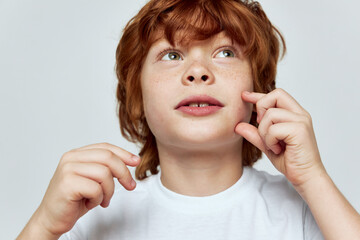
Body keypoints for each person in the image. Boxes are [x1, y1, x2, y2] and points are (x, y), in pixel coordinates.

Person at [18, 0, 360, 239]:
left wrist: (313, 179)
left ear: (260, 93)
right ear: (137, 98)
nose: (198, 72)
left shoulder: (305, 210)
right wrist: (43, 227)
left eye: (225, 53)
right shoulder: (91, 216)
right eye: (172, 54)